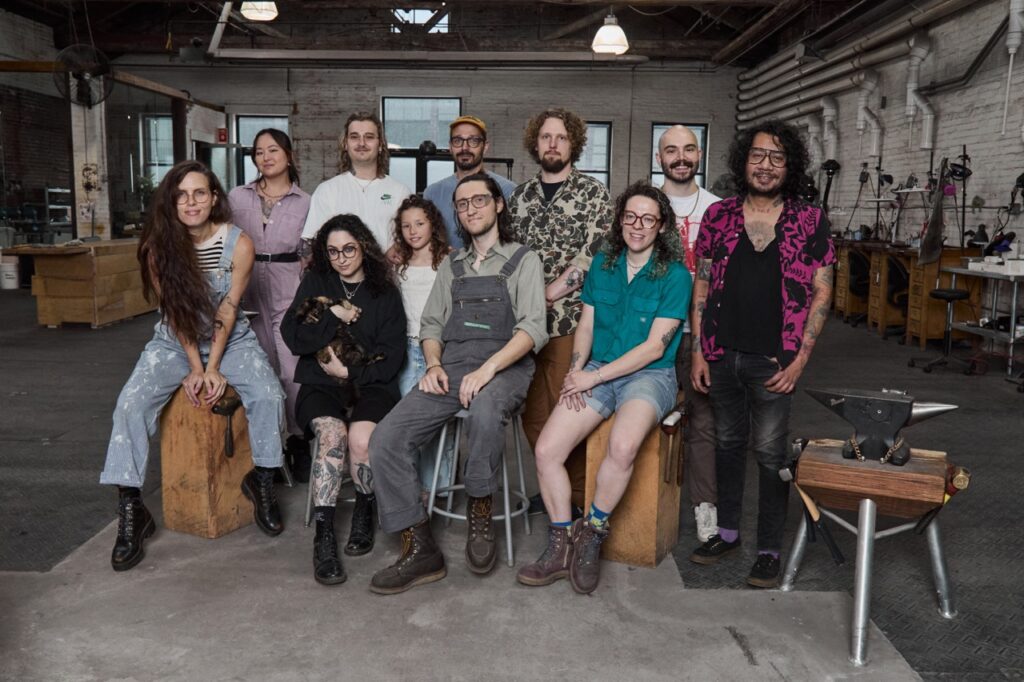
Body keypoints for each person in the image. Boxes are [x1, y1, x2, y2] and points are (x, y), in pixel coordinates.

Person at [100, 160, 286, 572]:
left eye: (199, 192)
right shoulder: (159, 248)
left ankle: (262, 478)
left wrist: (212, 366)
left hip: (231, 340)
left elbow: (229, 308)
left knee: (269, 394)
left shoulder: (239, 244)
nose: (191, 202)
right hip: (174, 341)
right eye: (181, 195)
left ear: (214, 198)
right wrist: (194, 367)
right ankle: (131, 508)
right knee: (129, 405)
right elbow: (176, 313)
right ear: (171, 202)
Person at [367, 173, 547, 595]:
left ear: (498, 204)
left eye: (479, 200)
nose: (470, 209)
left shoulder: (524, 259)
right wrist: (433, 364)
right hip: (452, 366)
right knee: (386, 438)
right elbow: (431, 324)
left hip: (506, 367)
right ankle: (419, 546)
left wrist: (488, 370)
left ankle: (480, 509)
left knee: (484, 410)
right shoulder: (452, 264)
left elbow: (533, 329)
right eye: (463, 204)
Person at [517, 182, 690, 595]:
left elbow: (654, 348)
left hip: (649, 376)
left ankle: (592, 532)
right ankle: (561, 541)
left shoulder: (676, 276)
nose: (637, 226)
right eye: (630, 217)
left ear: (662, 226)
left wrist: (593, 378)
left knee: (623, 445)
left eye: (647, 219)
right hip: (595, 368)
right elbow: (587, 325)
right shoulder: (603, 265)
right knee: (547, 450)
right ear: (619, 221)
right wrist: (575, 371)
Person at [689, 119, 835, 588]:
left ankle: (769, 550)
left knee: (771, 456)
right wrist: (699, 351)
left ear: (789, 165)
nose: (766, 165)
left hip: (775, 361)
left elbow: (822, 291)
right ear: (743, 161)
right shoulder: (719, 216)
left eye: (777, 157)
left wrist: (800, 360)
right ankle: (728, 534)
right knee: (728, 446)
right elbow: (702, 284)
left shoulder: (809, 220)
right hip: (721, 353)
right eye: (757, 155)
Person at [281, 215, 406, 585]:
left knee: (361, 441)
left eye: (348, 249)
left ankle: (365, 508)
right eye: (333, 251)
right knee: (333, 435)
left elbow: (392, 356)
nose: (341, 258)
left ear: (364, 247)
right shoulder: (317, 282)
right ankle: (323, 537)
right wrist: (332, 314)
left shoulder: (384, 291)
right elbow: (294, 337)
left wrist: (350, 373)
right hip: (321, 383)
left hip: (371, 383)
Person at [506, 107, 611, 516]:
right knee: (533, 416)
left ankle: (579, 500)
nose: (553, 144)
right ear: (535, 143)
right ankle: (554, 486)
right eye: (546, 137)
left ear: (574, 144)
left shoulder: (593, 194)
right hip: (524, 327)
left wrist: (548, 293)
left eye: (561, 137)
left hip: (571, 322)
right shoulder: (519, 198)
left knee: (569, 413)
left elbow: (594, 255)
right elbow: (509, 256)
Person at [228, 128, 311, 477]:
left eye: (273, 150)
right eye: (259, 152)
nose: (266, 157)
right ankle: (268, 450)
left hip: (288, 286)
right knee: (260, 369)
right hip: (247, 287)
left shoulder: (305, 201)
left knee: (292, 371)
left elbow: (311, 250)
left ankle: (299, 440)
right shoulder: (236, 197)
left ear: (288, 155)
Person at [655, 125, 722, 543]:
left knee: (704, 422)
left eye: (689, 149)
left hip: (701, 333)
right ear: (660, 157)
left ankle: (704, 507)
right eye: (671, 150)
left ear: (699, 155)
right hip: (653, 332)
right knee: (644, 416)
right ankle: (641, 508)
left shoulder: (718, 209)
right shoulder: (645, 204)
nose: (680, 157)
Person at [391, 196, 456, 499]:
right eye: (406, 226)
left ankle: (438, 489)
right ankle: (412, 488)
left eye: (419, 223)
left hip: (438, 348)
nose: (413, 231)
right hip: (407, 347)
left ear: (433, 224)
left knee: (438, 421)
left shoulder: (448, 260)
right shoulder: (399, 263)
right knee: (408, 420)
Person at [301, 111, 411, 251]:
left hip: (387, 266)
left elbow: (412, 238)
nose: (361, 143)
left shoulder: (400, 192)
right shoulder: (327, 190)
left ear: (380, 145)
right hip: (339, 266)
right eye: (354, 137)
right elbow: (314, 243)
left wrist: (398, 248)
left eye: (369, 137)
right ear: (345, 144)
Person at [422, 115, 517, 248]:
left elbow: (514, 241)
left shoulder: (508, 190)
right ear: (450, 147)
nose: (465, 147)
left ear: (485, 146)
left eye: (473, 141)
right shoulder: (433, 193)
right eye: (457, 140)